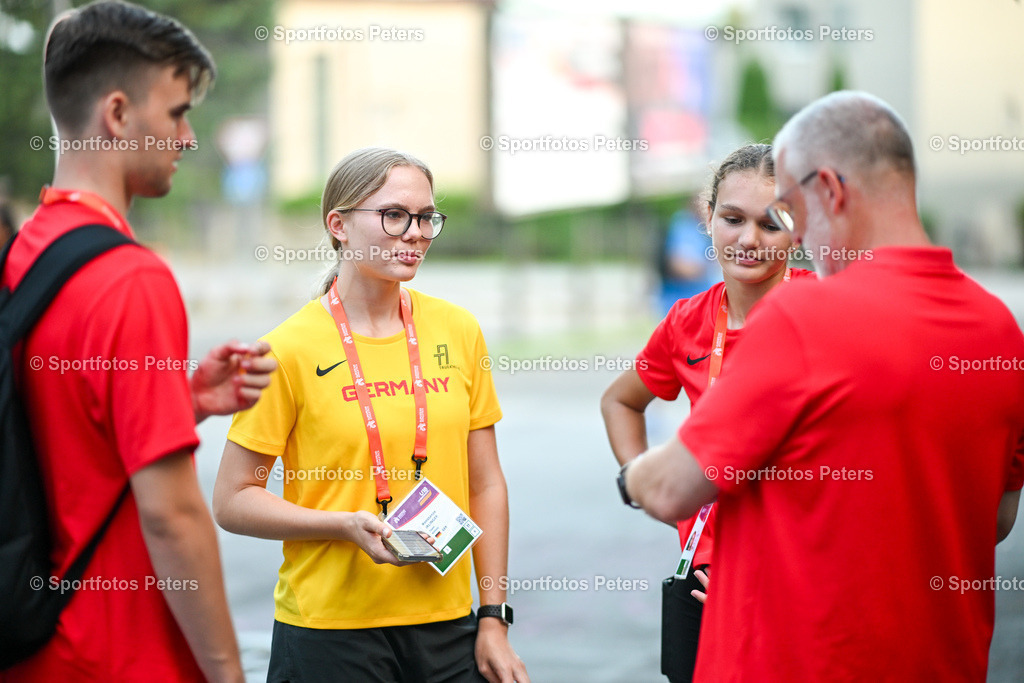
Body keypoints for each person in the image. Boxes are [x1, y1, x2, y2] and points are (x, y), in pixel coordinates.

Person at [621, 91, 1024, 680]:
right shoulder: (999, 330)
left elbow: (669, 490)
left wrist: (631, 476)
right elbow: (995, 519)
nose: (791, 234)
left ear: (830, 190)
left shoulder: (802, 318)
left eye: (788, 209)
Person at [0, 2, 277, 681]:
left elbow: (58, 428)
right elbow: (173, 514)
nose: (187, 138)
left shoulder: (27, 252)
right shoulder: (131, 278)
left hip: (34, 645)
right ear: (118, 114)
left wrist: (175, 400)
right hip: (120, 655)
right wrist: (226, 672)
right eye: (177, 113)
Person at [213, 147, 529, 683]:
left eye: (427, 217)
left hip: (447, 628)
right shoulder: (286, 349)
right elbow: (232, 499)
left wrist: (492, 618)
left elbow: (486, 483)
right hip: (327, 633)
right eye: (394, 215)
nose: (416, 233)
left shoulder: (459, 330)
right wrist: (339, 526)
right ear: (338, 225)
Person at [602, 143, 814, 682]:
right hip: (703, 586)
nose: (748, 239)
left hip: (799, 588)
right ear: (709, 218)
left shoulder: (826, 316)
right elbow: (620, 401)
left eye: (771, 223)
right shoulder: (688, 321)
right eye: (732, 219)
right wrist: (639, 479)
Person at [656, 198, 719, 317]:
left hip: (699, 304)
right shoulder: (684, 225)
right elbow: (681, 266)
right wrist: (712, 264)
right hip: (682, 305)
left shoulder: (703, 228)